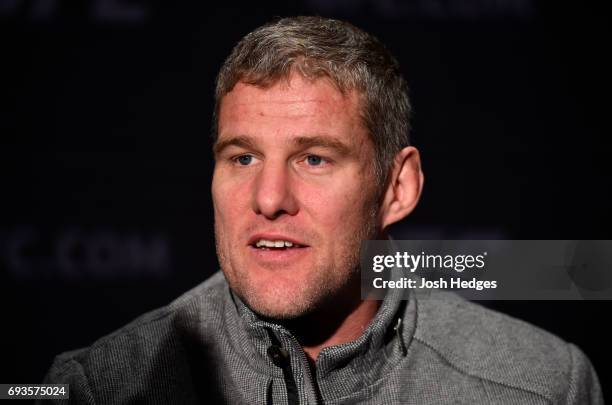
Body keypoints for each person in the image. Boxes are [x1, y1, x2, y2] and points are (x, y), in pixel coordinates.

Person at [42, 16, 603, 404]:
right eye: (242, 158)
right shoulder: (97, 388)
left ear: (397, 187)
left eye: (313, 158)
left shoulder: (542, 384)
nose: (268, 200)